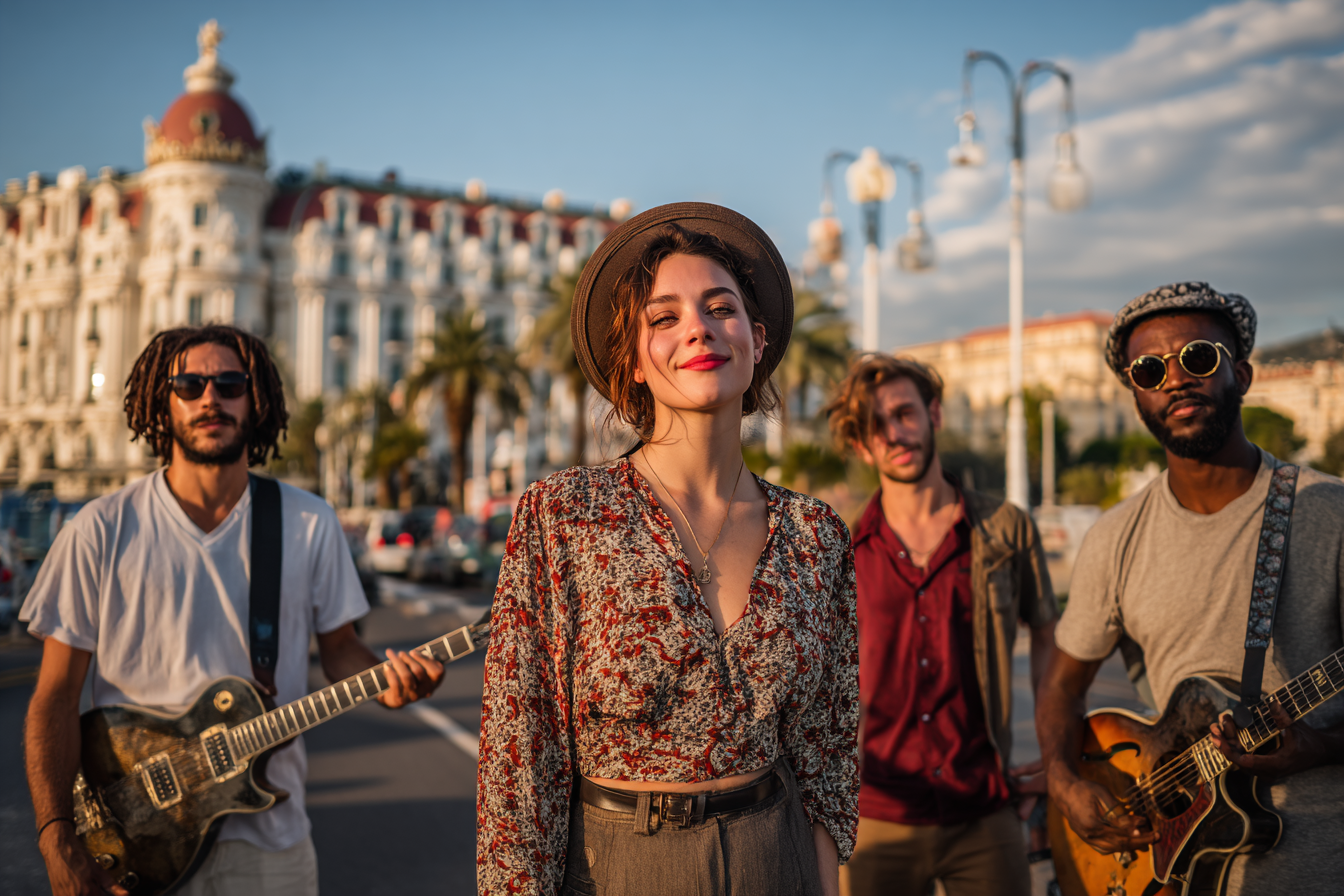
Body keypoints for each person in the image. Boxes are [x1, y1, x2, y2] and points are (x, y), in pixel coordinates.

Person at [475, 204, 859, 896]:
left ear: (758, 339)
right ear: (635, 362)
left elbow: (827, 760)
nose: (700, 329)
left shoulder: (815, 535)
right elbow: (519, 764)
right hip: (617, 866)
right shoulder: (564, 516)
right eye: (664, 318)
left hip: (778, 863)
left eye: (721, 308)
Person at [22, 324, 445, 896]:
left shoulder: (307, 521)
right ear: (161, 400)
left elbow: (341, 650)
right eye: (190, 384)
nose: (209, 398)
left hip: (272, 848)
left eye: (229, 382)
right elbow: (54, 695)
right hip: (137, 845)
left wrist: (389, 684)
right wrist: (57, 837)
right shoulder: (101, 529)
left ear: (257, 399)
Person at [1037, 282, 1344, 893]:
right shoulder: (1115, 537)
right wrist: (1063, 779)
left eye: (1198, 358)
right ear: (1135, 396)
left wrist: (1319, 746)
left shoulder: (1328, 512)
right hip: (1173, 876)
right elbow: (1062, 688)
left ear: (1244, 375)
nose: (1175, 379)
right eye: (1149, 370)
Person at [822, 355, 1056, 896]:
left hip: (986, 809)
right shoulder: (841, 551)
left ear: (935, 415)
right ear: (861, 446)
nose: (895, 434)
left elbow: (1047, 633)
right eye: (876, 426)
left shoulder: (1004, 528)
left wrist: (1052, 751)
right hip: (877, 817)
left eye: (905, 413)